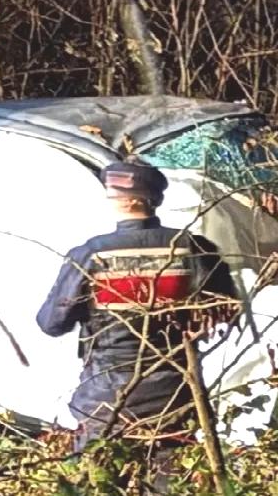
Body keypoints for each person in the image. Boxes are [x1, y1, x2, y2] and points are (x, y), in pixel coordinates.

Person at [36, 161, 238, 452]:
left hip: (105, 401)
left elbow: (51, 324)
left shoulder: (92, 254)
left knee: (99, 491)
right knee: (172, 493)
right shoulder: (193, 248)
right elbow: (225, 308)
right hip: (176, 396)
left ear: (125, 200)